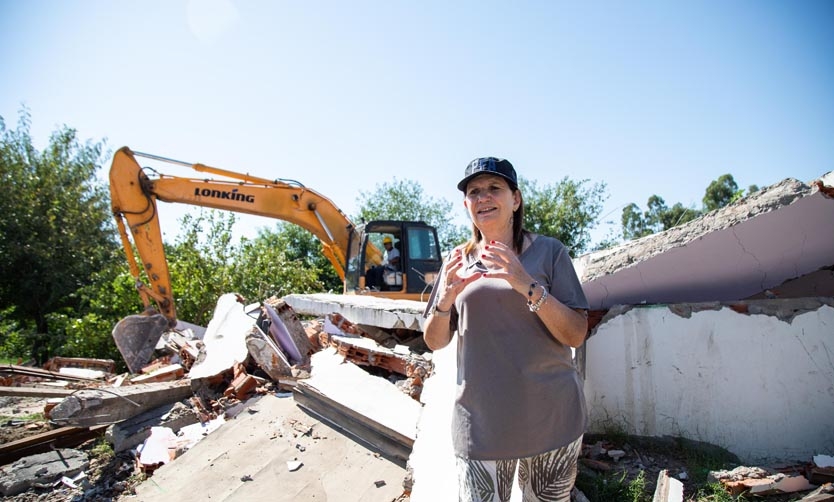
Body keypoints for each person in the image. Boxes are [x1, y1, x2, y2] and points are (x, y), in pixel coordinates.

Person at [423, 157, 590, 502]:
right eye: (474, 192)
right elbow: (434, 340)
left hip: (552, 420)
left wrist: (526, 284)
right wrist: (444, 301)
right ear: (466, 204)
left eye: (494, 188)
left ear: (515, 199)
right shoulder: (456, 261)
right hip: (481, 426)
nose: (483, 197)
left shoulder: (549, 252)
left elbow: (576, 334)